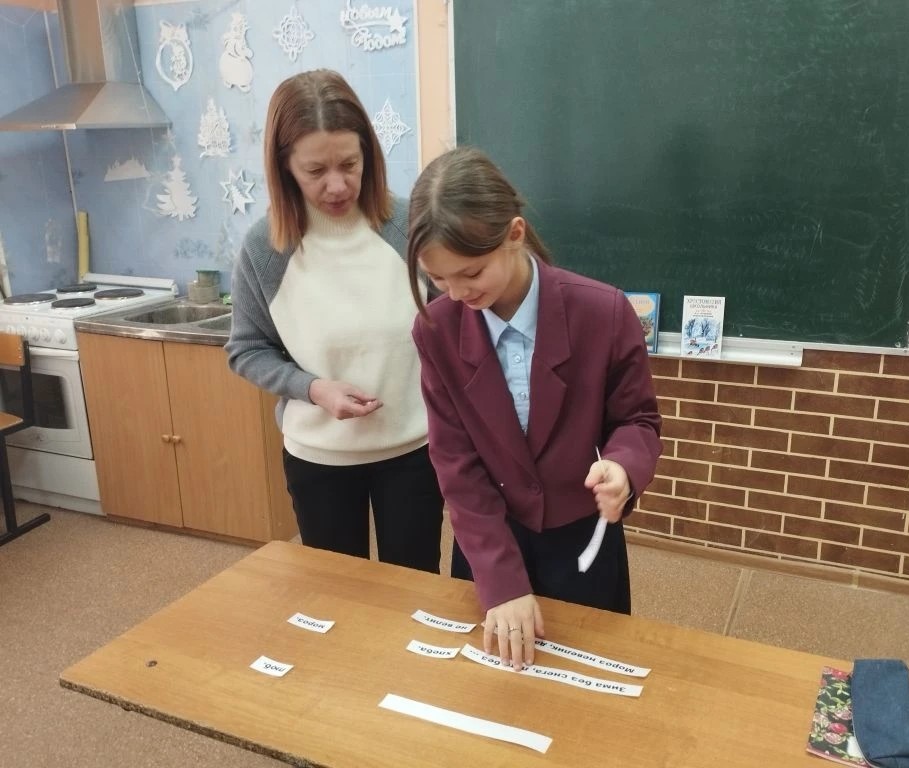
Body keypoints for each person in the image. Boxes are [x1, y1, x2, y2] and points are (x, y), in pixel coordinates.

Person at [406, 146, 662, 670]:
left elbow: (637, 420)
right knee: (488, 689)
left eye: (471, 272)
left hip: (582, 542)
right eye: (438, 279)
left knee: (588, 679)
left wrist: (624, 467)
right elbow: (455, 463)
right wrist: (500, 582)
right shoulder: (437, 329)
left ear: (515, 234)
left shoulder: (603, 311)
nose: (456, 292)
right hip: (486, 540)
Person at [226, 69, 444, 573]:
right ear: (284, 167)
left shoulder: (410, 224)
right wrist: (313, 389)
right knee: (335, 595)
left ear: (369, 152)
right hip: (319, 458)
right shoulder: (266, 248)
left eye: (350, 163)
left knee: (415, 590)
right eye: (315, 170)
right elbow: (246, 349)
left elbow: (455, 324)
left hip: (414, 451)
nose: (338, 184)